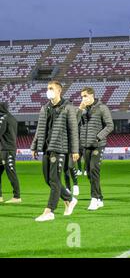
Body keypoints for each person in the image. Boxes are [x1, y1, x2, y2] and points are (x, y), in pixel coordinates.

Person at [31, 81, 79, 222]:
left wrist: (74, 150)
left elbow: (73, 130)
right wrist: (34, 146)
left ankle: (49, 211)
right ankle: (70, 199)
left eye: (51, 88)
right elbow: (39, 129)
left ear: (59, 91)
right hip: (46, 147)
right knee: (49, 180)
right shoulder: (44, 108)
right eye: (47, 88)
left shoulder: (68, 107)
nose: (48, 91)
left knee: (54, 179)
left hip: (59, 148)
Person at [78, 87, 114, 211]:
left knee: (94, 169)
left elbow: (110, 126)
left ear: (92, 95)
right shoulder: (82, 110)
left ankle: (93, 199)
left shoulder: (102, 108)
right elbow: (74, 123)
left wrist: (98, 137)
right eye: (82, 97)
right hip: (85, 145)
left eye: (85, 96)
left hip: (98, 145)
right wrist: (79, 110)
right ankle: (99, 198)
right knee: (89, 173)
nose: (83, 99)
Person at [0, 102, 21, 204]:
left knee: (11, 172)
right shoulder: (13, 118)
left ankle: (17, 197)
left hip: (6, 150)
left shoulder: (4, 118)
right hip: (8, 148)